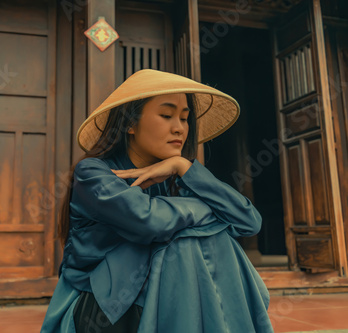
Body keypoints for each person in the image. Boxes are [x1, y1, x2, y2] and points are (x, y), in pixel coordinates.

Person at [40, 69, 273, 332]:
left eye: (184, 119)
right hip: (103, 309)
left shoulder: (177, 178)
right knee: (187, 241)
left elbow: (249, 221)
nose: (179, 128)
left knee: (211, 238)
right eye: (166, 115)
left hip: (164, 300)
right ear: (130, 123)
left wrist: (185, 167)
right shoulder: (93, 174)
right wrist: (205, 207)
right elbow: (148, 221)